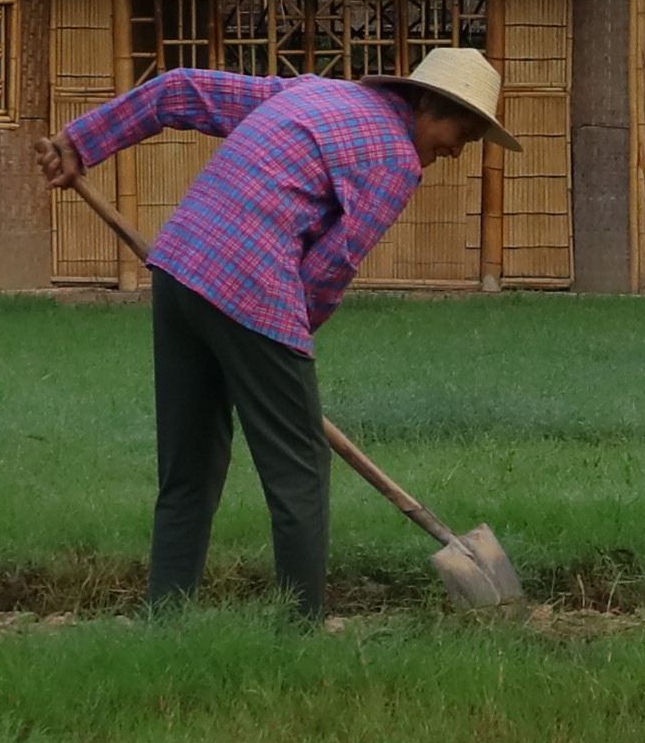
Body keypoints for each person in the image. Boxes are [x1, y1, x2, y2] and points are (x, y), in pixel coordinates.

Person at [31, 38, 505, 618]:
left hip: (180, 269)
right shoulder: (395, 162)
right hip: (252, 284)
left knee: (190, 470)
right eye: (463, 135)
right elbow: (333, 266)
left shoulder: (315, 93)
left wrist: (80, 142)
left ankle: (166, 618)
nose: (458, 151)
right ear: (431, 106)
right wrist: (285, 352)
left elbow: (180, 88)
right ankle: (300, 632)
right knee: (301, 470)